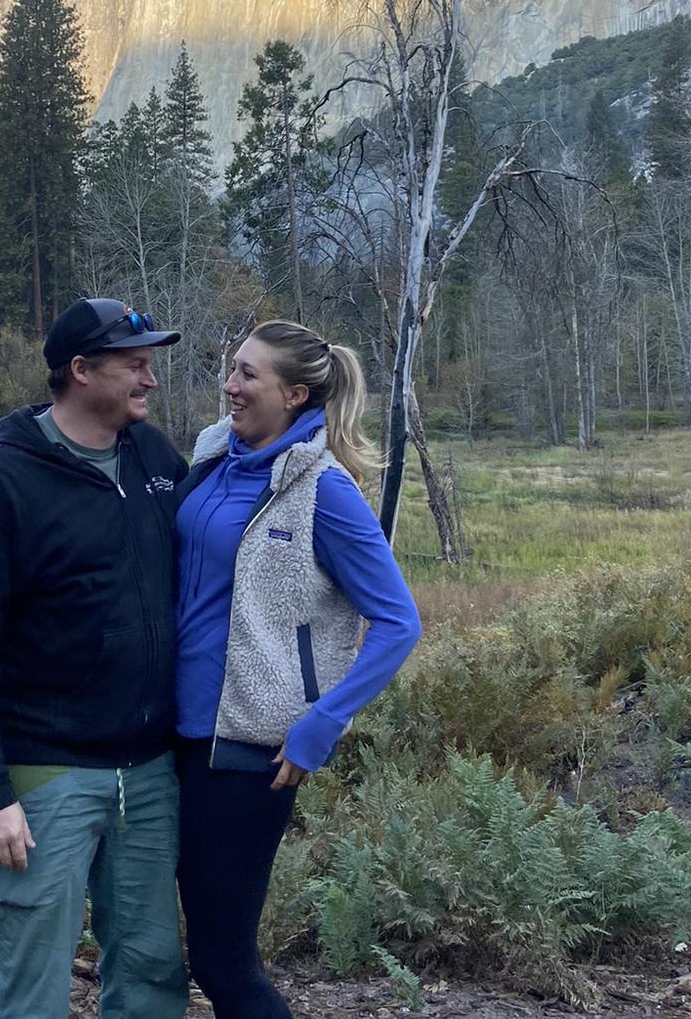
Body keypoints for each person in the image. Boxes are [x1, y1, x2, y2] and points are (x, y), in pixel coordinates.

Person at [0, 298, 190, 1019]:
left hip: (146, 774)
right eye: (134, 365)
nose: (150, 381)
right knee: (33, 989)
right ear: (81, 371)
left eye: (149, 365)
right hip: (43, 776)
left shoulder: (153, 457)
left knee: (150, 974)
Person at [173, 320, 422, 1019]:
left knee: (223, 962)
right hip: (172, 735)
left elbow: (399, 622)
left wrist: (323, 722)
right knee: (162, 940)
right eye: (232, 368)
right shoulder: (213, 455)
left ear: (296, 394)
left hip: (251, 751)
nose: (230, 385)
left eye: (249, 375)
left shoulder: (324, 491)